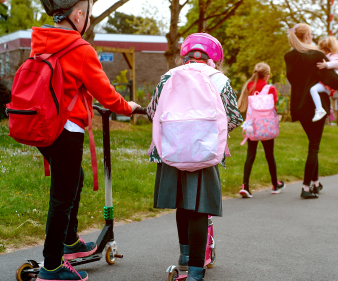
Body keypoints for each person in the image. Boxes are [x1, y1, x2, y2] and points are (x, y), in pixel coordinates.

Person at [35, 1, 140, 280]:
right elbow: (106, 94)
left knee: (75, 178)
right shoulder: (80, 49)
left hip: (41, 127)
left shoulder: (42, 41)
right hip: (65, 130)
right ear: (79, 16)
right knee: (62, 197)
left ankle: (70, 242)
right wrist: (128, 107)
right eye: (89, 15)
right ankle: (52, 266)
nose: (89, 21)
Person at [147, 33, 242, 281]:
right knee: (199, 208)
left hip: (172, 151)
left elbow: (152, 112)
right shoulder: (219, 80)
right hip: (205, 151)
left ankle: (186, 257)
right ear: (214, 57)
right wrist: (211, 134)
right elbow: (233, 117)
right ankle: (197, 270)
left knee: (182, 203)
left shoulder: (168, 77)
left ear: (185, 54)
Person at [284, 23, 338, 199]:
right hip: (317, 107)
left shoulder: (289, 57)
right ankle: (306, 187)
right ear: (307, 35)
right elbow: (334, 82)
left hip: (299, 106)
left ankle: (316, 183)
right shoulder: (317, 55)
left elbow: (293, 80)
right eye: (311, 33)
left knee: (312, 143)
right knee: (314, 146)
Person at [237, 62, 286, 198]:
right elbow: (273, 108)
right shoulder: (271, 89)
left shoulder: (249, 86)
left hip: (252, 126)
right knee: (270, 156)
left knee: (250, 155)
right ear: (267, 75)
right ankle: (275, 185)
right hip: (266, 127)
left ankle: (245, 186)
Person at [310, 36, 338, 122]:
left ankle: (319, 110)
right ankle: (330, 113)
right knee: (325, 96)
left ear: (326, 50)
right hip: (328, 85)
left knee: (313, 90)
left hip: (328, 85)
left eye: (320, 51)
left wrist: (326, 65)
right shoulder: (328, 57)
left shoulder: (331, 57)